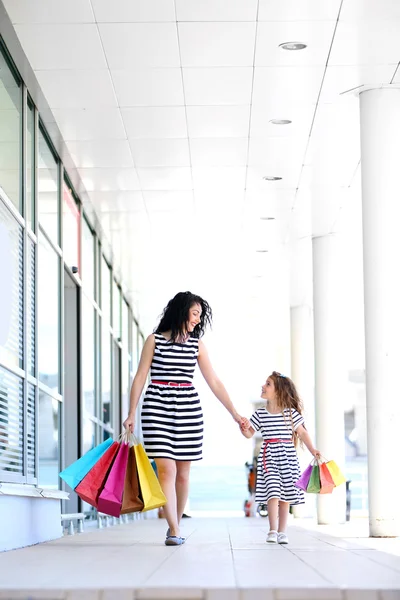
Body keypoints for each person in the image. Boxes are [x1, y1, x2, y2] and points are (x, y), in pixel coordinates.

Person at [123, 291, 247, 546]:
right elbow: (140, 377)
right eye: (194, 314)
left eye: (200, 316)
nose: (197, 320)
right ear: (181, 312)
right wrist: (131, 412)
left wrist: (235, 413)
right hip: (157, 405)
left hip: (188, 408)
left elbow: (214, 381)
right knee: (166, 470)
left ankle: (174, 525)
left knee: (182, 475)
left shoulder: (197, 344)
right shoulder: (154, 340)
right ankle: (175, 527)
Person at [240, 371, 321, 545]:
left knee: (285, 496)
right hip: (269, 456)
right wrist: (243, 426)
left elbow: (303, 433)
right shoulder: (260, 414)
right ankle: (272, 530)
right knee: (273, 492)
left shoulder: (290, 413)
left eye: (268, 384)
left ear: (279, 391)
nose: (263, 386)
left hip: (288, 458)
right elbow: (249, 434)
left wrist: (313, 450)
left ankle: (282, 532)